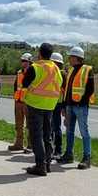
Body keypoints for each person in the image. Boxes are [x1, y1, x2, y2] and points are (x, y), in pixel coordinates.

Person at [21, 42, 63, 176]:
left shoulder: (36, 67)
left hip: (35, 104)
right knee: (47, 134)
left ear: (39, 53)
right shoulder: (56, 68)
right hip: (50, 105)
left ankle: (40, 165)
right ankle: (47, 163)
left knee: (36, 135)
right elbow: (60, 82)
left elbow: (25, 83)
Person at [61, 46, 95, 168]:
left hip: (81, 106)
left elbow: (90, 89)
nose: (69, 59)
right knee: (69, 131)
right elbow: (67, 90)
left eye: (71, 57)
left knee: (84, 132)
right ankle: (68, 155)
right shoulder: (70, 70)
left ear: (77, 58)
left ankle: (87, 157)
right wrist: (64, 106)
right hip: (70, 105)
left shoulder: (87, 70)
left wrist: (82, 102)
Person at [10, 52, 33, 152]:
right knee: (18, 124)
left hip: (28, 102)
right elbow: (16, 86)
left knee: (29, 124)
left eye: (25, 61)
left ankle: (30, 145)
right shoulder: (19, 72)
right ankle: (19, 144)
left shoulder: (33, 73)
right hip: (18, 101)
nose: (23, 63)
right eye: (22, 61)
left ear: (30, 62)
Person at [49, 51, 65, 162]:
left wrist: (64, 106)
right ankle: (51, 150)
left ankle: (58, 150)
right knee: (50, 128)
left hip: (57, 103)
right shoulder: (51, 73)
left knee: (56, 127)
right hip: (50, 103)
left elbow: (64, 91)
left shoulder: (62, 74)